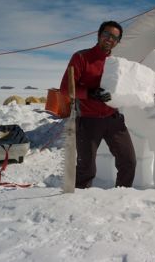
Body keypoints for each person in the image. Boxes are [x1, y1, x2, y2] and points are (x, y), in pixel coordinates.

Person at [60, 21, 136, 188]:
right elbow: (66, 89)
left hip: (113, 118)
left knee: (128, 161)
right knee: (86, 170)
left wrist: (151, 94)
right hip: (88, 120)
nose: (110, 39)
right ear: (99, 35)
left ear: (118, 42)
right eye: (107, 34)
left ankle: (122, 196)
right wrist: (89, 93)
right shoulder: (81, 57)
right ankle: (77, 204)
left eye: (115, 37)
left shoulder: (117, 63)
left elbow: (131, 85)